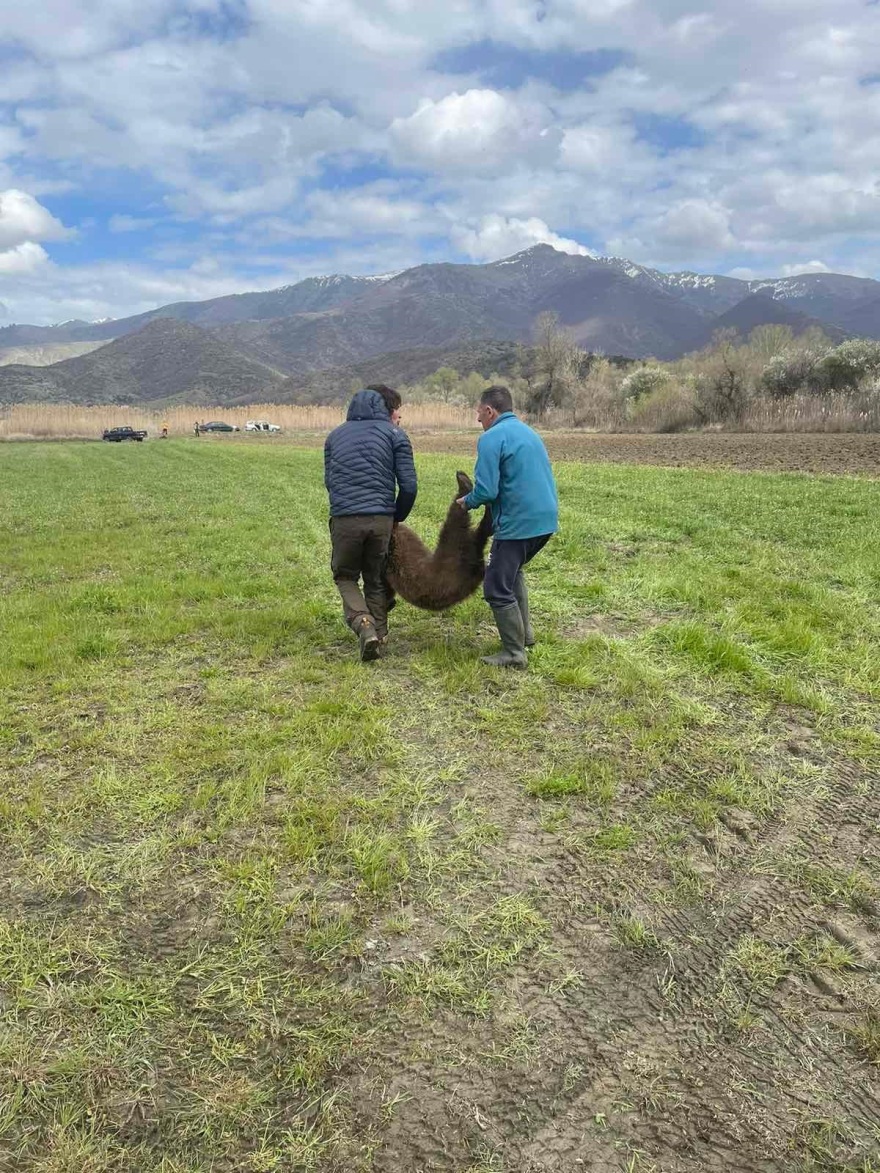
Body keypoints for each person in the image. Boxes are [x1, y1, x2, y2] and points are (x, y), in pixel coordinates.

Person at [457, 385, 558, 668]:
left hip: (518, 524)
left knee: (496, 586)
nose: (478, 418)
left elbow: (487, 491)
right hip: (545, 521)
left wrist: (467, 502)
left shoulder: (491, 437)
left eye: (479, 412)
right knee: (512, 574)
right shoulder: (529, 433)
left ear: (490, 411)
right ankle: (525, 637)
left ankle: (514, 653)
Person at [324, 384, 417, 661]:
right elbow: (409, 486)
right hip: (381, 519)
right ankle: (380, 635)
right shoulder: (395, 435)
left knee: (345, 576)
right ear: (385, 408)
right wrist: (395, 517)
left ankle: (364, 624)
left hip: (345, 519)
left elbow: (330, 481)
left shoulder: (334, 436)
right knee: (375, 577)